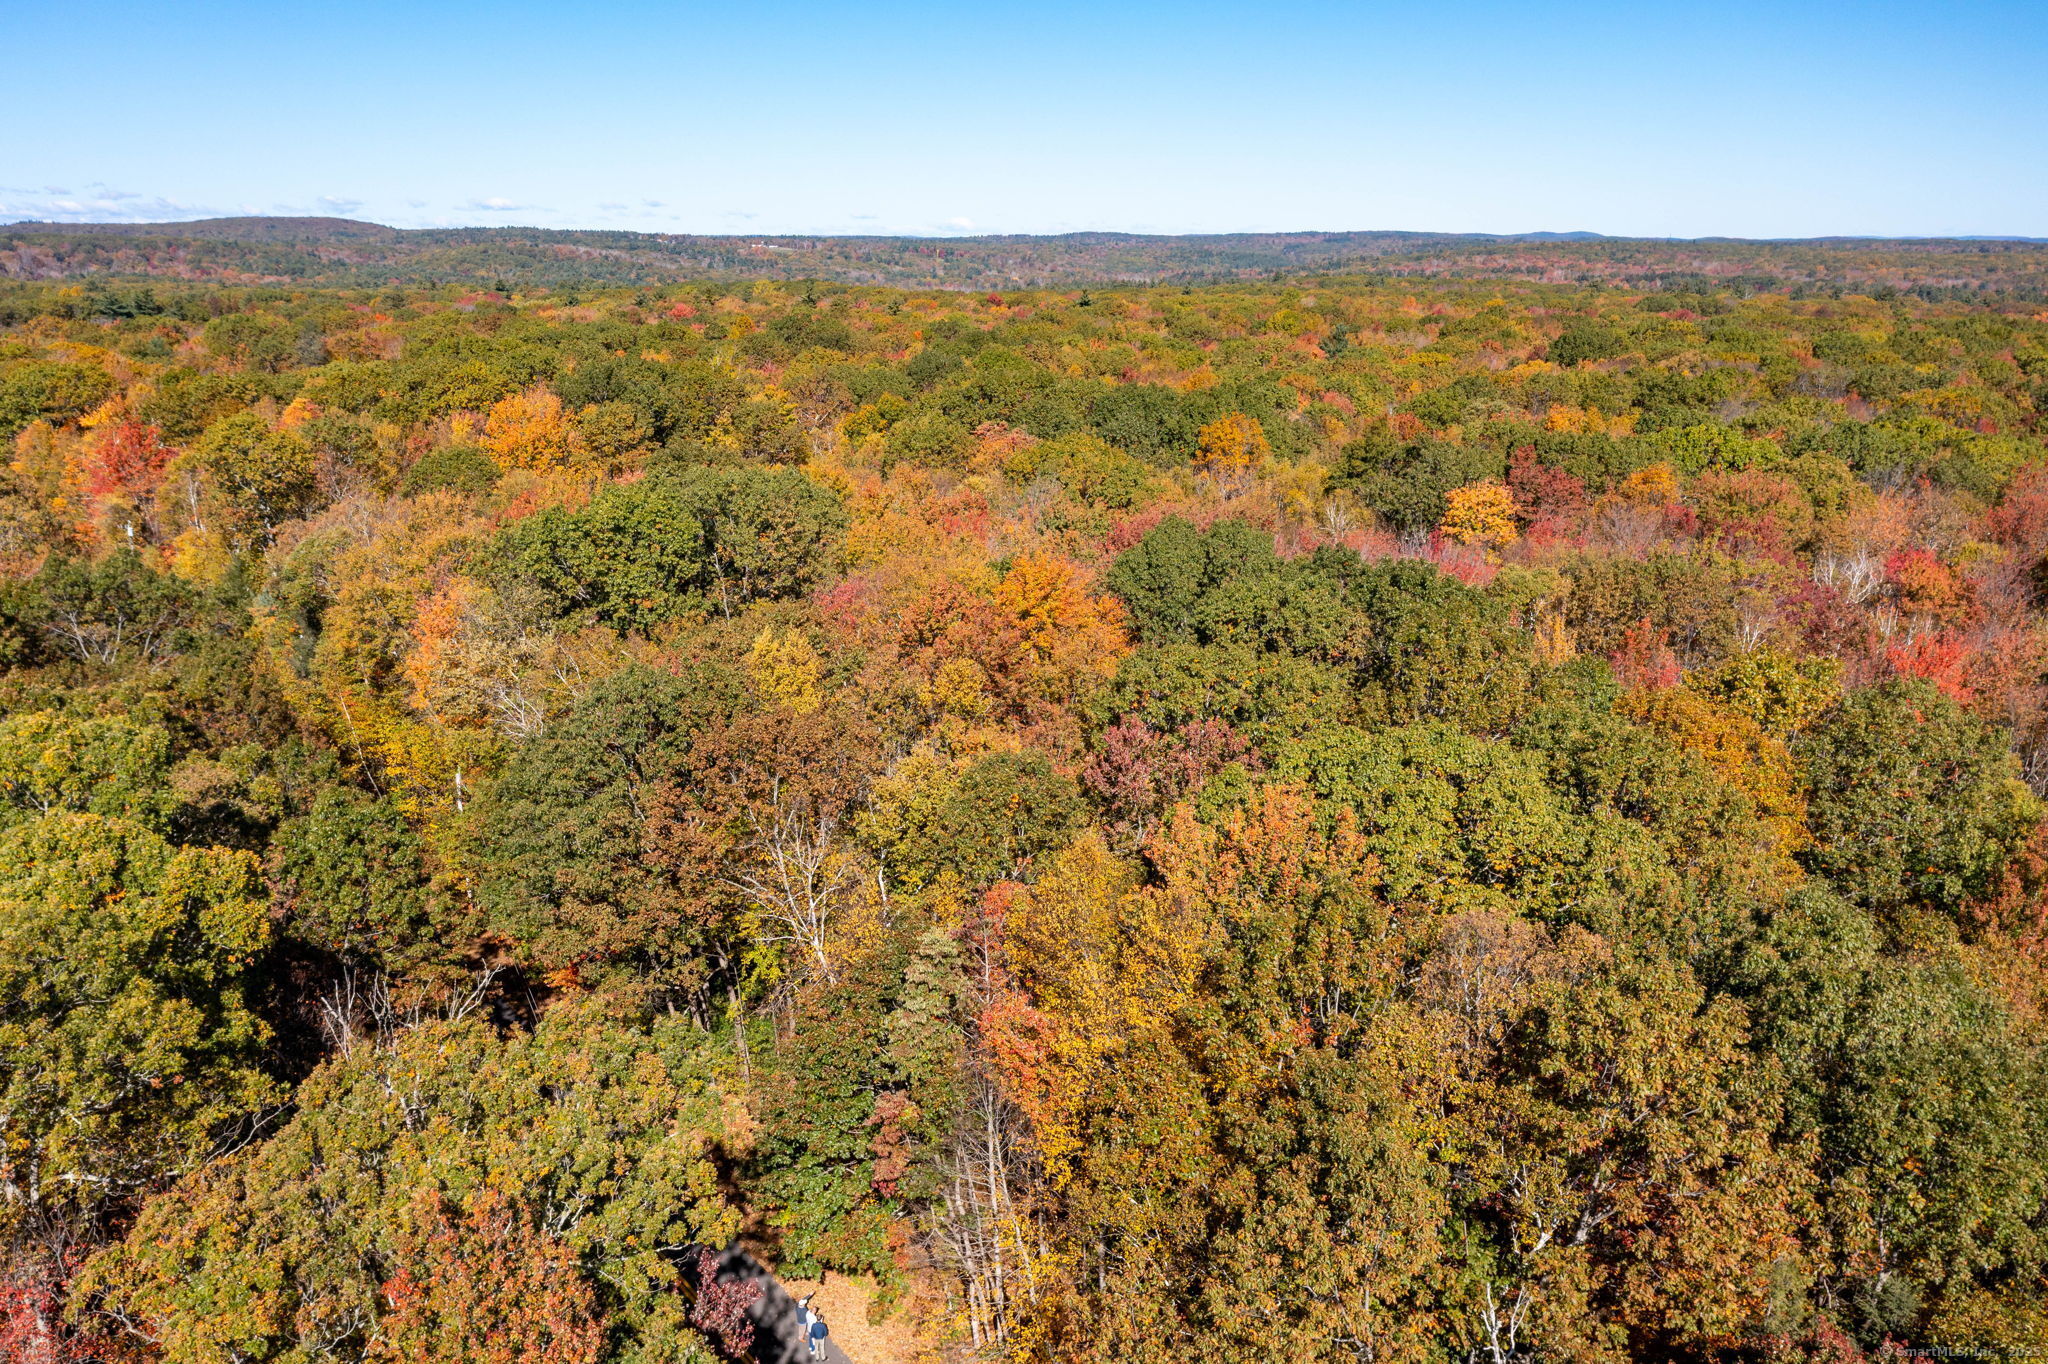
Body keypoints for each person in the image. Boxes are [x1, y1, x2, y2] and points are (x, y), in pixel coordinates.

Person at [798, 1291, 829, 1360]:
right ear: (814, 1311)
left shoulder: (808, 1313)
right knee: (813, 1341)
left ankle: (810, 1347)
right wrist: (822, 1319)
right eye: (816, 1310)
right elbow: (818, 1322)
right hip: (813, 1330)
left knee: (810, 1339)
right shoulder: (814, 1318)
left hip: (809, 1329)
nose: (816, 1311)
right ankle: (813, 1350)